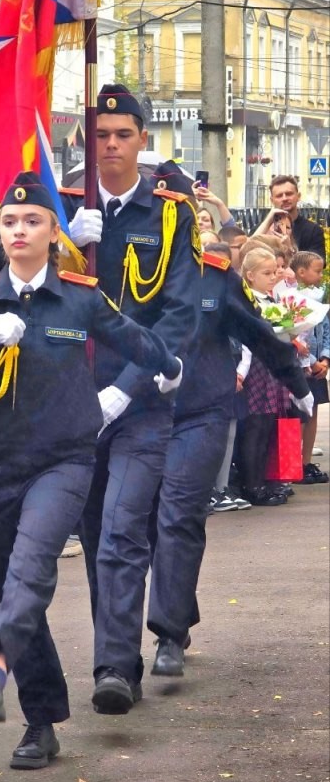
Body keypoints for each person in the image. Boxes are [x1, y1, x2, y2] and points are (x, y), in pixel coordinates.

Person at [0, 171, 182, 769]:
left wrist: (169, 365)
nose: (20, 229)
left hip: (64, 458)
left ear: (55, 234)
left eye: (32, 221)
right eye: (9, 222)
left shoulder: (77, 294)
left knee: (31, 566)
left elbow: (135, 337)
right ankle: (41, 719)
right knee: (11, 583)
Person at [65, 84, 201, 716]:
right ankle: (117, 652)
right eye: (100, 135)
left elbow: (176, 315)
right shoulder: (64, 203)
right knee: (96, 536)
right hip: (71, 406)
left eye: (122, 135)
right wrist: (64, 238)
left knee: (123, 528)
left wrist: (127, 387)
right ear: (84, 141)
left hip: (141, 404)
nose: (111, 146)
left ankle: (113, 668)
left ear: (143, 141)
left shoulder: (170, 214)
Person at [146, 248, 312, 677]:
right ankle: (178, 613)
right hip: (140, 411)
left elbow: (256, 332)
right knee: (146, 520)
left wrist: (296, 382)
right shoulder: (119, 261)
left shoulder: (215, 277)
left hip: (203, 409)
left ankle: (168, 632)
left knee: (179, 513)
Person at [236, 248, 307, 506]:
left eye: (274, 272)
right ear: (250, 275)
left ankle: (266, 479)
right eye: (266, 273)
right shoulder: (245, 299)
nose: (272, 277)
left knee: (268, 424)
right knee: (255, 426)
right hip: (255, 367)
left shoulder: (270, 298)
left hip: (270, 367)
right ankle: (251, 483)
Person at [289, 251, 329, 485]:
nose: (321, 275)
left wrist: (325, 359)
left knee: (313, 412)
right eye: (317, 270)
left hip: (317, 367)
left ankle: (306, 461)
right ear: (301, 272)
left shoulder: (319, 297)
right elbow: (298, 334)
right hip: (302, 365)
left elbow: (325, 329)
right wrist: (312, 360)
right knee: (298, 414)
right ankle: (293, 464)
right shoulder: (293, 299)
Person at [269, 175, 325, 262]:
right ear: (272, 200)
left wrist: (291, 249)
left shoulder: (313, 231)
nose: (284, 198)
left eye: (289, 194)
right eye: (279, 196)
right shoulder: (262, 229)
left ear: (298, 196)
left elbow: (317, 264)